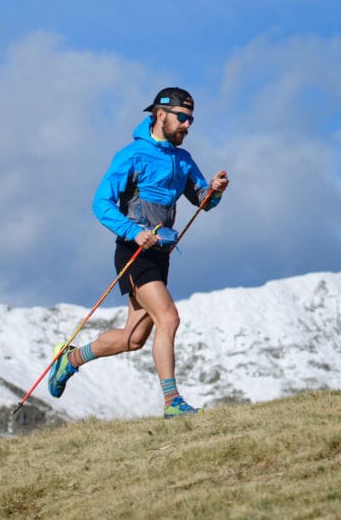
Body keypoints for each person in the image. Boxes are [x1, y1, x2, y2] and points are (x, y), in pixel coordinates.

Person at [47, 86, 228, 418]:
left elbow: (202, 200)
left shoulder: (183, 159)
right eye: (183, 118)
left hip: (160, 254)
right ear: (160, 114)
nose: (187, 125)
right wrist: (134, 231)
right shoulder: (130, 155)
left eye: (191, 120)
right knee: (169, 317)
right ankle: (173, 402)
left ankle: (69, 360)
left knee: (133, 340)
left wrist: (214, 190)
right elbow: (100, 203)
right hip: (133, 252)